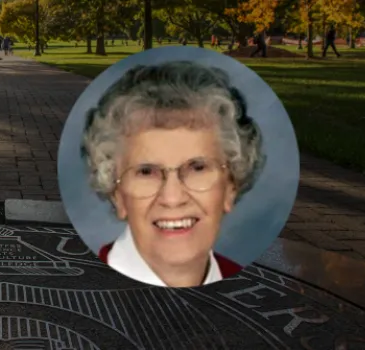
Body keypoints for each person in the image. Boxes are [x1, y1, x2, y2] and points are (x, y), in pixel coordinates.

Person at [81, 61, 265, 288]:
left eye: (198, 168)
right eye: (146, 172)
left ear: (230, 187)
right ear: (117, 194)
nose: (172, 198)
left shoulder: (255, 288)